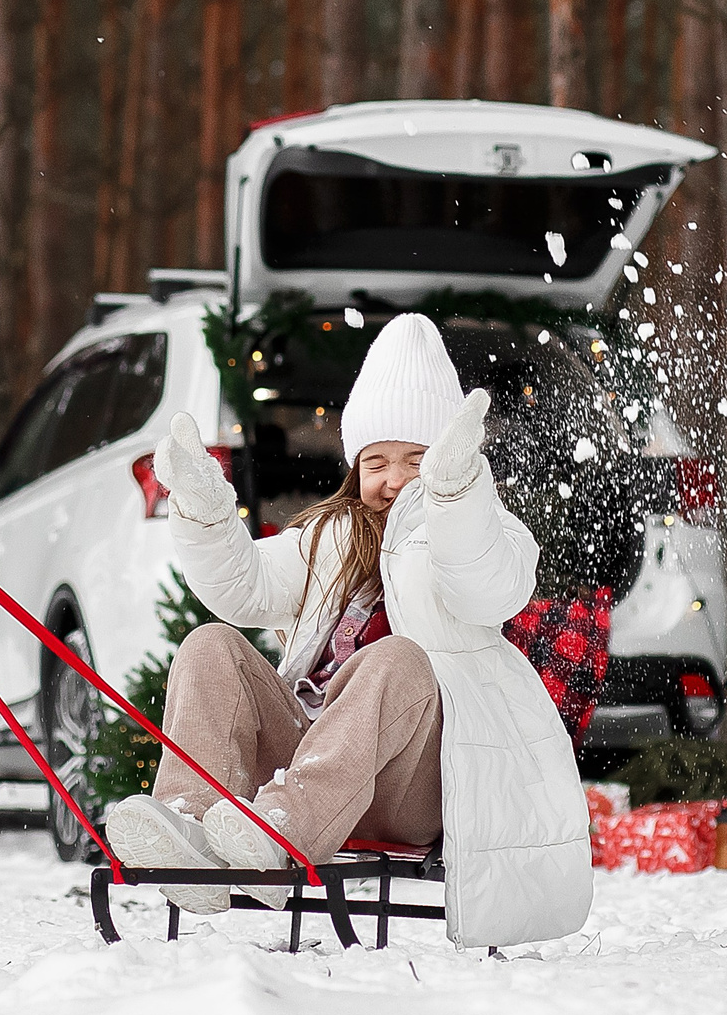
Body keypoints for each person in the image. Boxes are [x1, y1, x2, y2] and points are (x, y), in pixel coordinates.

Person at [101, 314, 593, 947]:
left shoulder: (485, 535)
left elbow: (485, 582)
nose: (391, 480)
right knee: (211, 645)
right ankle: (192, 828)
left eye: (415, 461)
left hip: (410, 776)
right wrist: (203, 506)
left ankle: (283, 831)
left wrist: (454, 496)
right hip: (311, 752)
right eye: (376, 462)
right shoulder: (331, 537)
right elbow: (242, 585)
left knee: (398, 660)